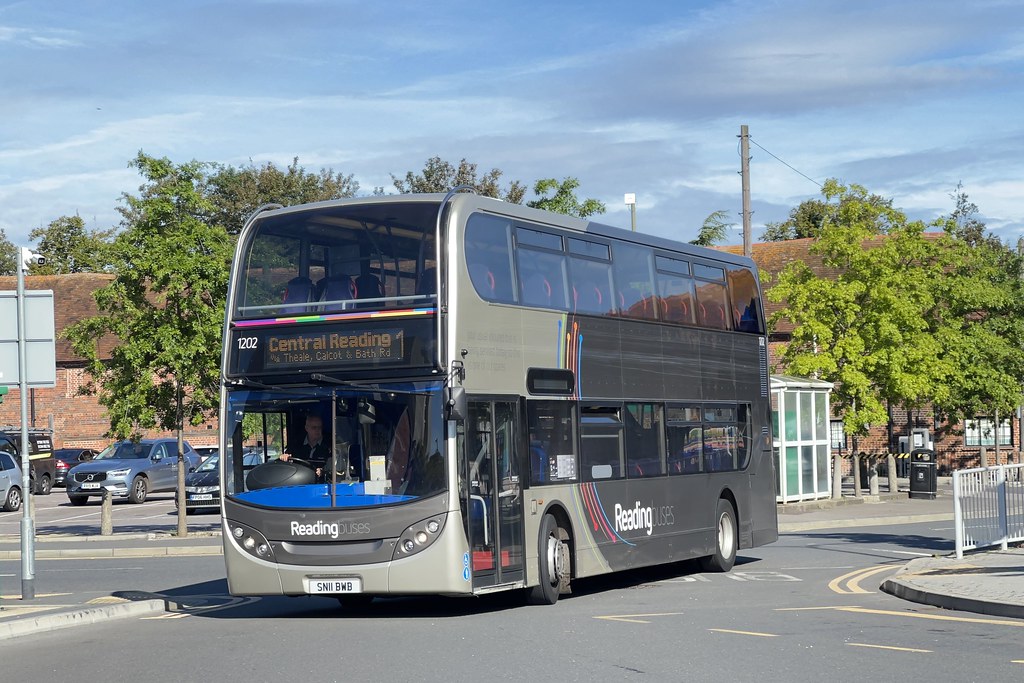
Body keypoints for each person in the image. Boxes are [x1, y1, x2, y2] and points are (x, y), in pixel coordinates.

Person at [281, 413, 330, 479]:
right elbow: (287, 455)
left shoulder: (329, 445)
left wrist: (322, 471)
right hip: (298, 481)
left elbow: (333, 467)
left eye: (320, 427)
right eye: (314, 427)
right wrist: (285, 456)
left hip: (322, 484)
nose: (317, 430)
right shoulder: (296, 443)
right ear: (306, 428)